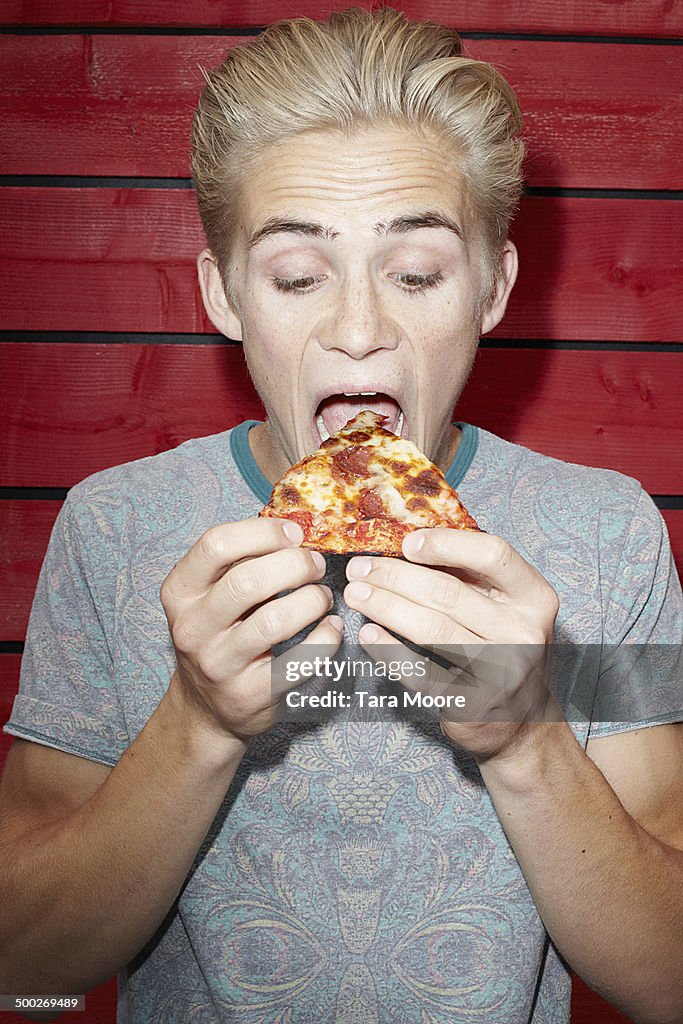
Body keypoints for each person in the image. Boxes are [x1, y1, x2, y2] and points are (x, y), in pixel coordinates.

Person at [1, 8, 682, 1024]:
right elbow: (24, 968)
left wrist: (524, 741)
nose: (359, 330)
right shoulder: (111, 530)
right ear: (224, 294)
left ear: (491, 288)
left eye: (414, 274)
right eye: (293, 277)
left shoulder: (610, 535)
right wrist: (194, 724)